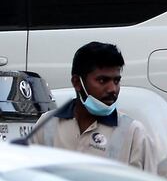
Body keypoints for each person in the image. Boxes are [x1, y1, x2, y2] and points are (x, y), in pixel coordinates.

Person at [30, 41, 156, 171]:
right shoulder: (47, 124)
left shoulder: (134, 133)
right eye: (102, 80)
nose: (112, 89)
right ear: (77, 82)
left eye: (116, 81)